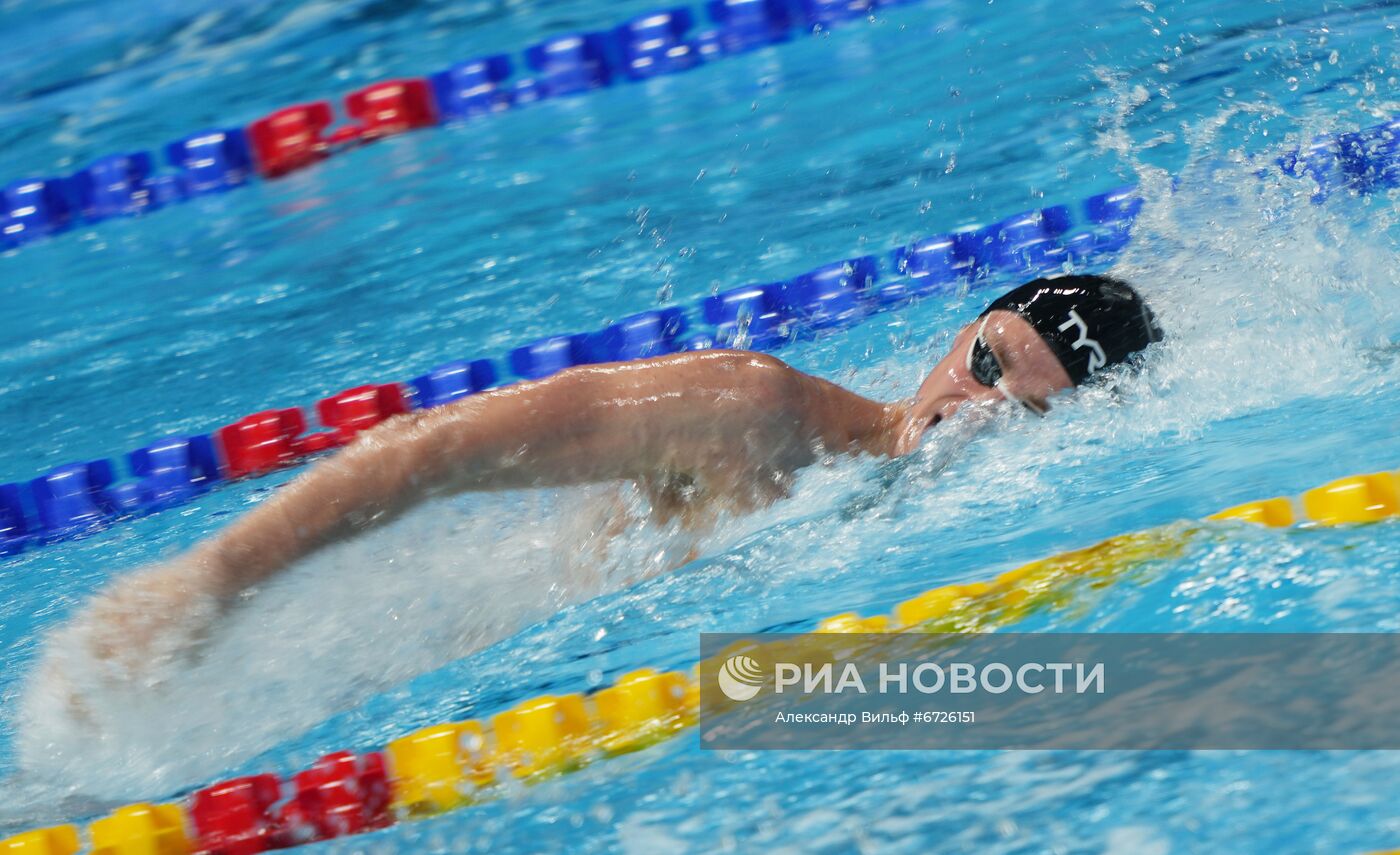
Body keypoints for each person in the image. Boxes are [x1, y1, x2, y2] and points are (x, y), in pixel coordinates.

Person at [71, 273, 1163, 678]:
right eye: (980, 364)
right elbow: (431, 451)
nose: (962, 410)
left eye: (1014, 411)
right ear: (959, 328)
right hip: (489, 670)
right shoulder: (752, 411)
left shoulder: (1011, 550)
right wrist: (211, 581)